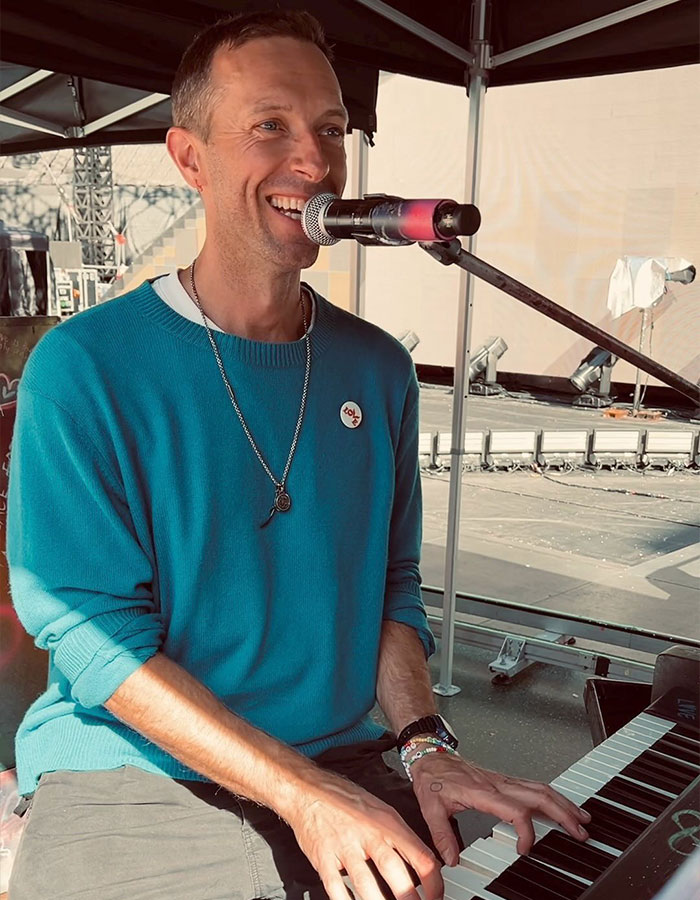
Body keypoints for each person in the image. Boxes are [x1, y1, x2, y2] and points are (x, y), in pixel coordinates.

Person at [6, 10, 591, 900]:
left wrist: (424, 745)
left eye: (330, 129)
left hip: (335, 755)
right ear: (190, 158)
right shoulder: (84, 368)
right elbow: (92, 638)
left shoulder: (378, 369)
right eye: (270, 126)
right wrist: (300, 792)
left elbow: (390, 587)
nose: (314, 160)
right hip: (131, 767)